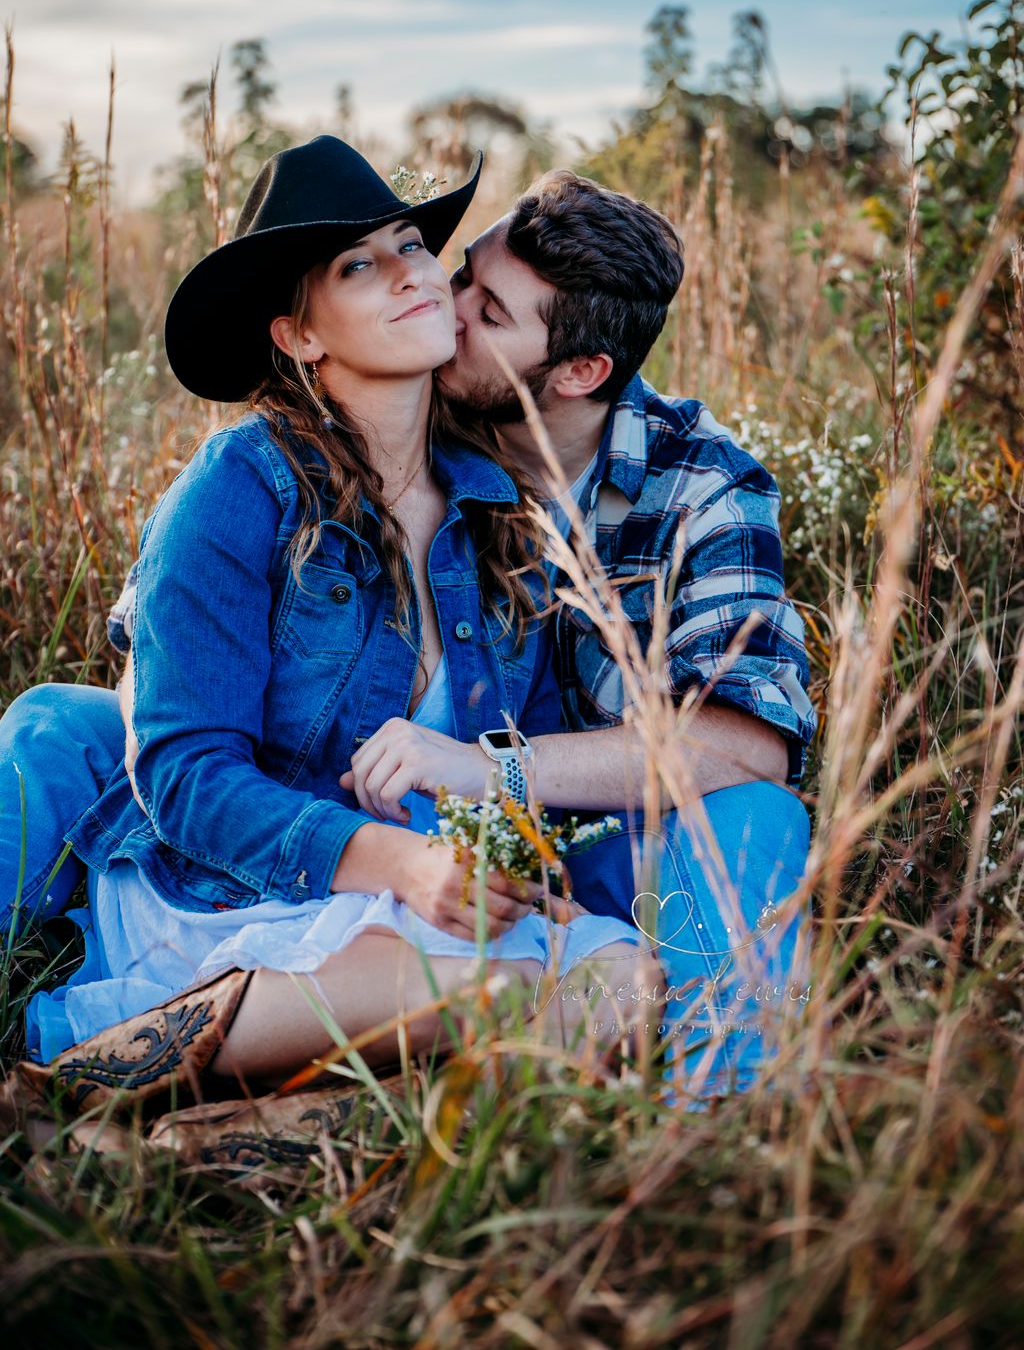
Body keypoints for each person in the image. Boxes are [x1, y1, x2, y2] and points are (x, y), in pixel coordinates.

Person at [0, 162, 816, 1104]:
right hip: (284, 874)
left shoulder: (515, 507)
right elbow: (187, 758)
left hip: (484, 864)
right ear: (299, 334)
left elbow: (729, 745)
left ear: (579, 374)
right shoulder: (243, 485)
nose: (437, 292)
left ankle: (713, 1116)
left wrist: (496, 823)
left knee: (627, 985)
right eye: (365, 265)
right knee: (53, 724)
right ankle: (109, 1049)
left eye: (417, 251)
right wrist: (407, 858)